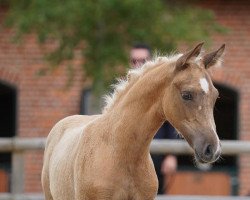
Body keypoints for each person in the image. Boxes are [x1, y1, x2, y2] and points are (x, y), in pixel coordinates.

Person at [130, 43, 178, 194]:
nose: (138, 64)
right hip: (127, 157)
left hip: (156, 157)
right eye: (134, 61)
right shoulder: (123, 90)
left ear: (150, 62)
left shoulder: (162, 90)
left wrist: (171, 154)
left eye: (142, 61)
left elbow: (172, 121)